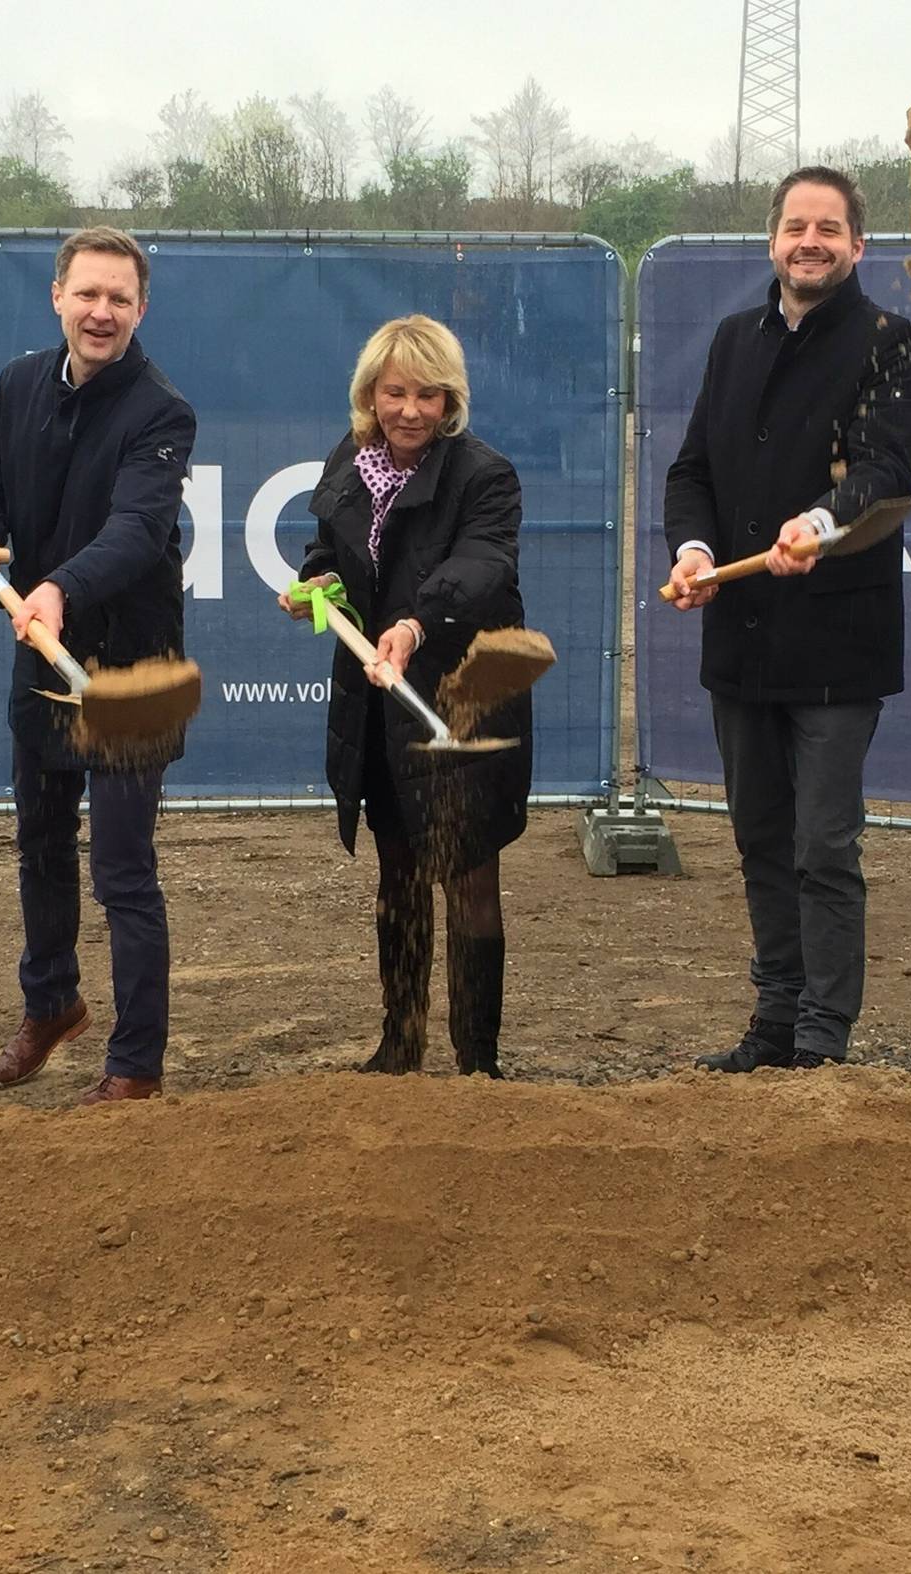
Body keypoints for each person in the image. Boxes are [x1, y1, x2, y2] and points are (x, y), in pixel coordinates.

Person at [663, 166, 911, 1072]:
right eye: (794, 226)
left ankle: (822, 1032)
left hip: (836, 643)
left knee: (823, 843)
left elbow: (886, 471)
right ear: (772, 240)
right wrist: (694, 553)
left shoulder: (892, 341)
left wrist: (820, 524)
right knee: (760, 838)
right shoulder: (734, 339)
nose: (809, 241)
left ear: (858, 245)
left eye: (829, 228)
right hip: (739, 637)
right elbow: (691, 469)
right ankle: (774, 1015)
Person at [0, 226, 197, 1106]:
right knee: (41, 847)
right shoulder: (18, 386)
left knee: (123, 867)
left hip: (131, 671)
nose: (101, 312)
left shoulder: (161, 412)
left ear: (141, 308)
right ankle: (50, 1006)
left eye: (119, 299)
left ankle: (135, 1064)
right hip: (41, 664)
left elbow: (137, 532)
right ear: (58, 296)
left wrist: (57, 586)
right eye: (87, 294)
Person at [279, 315, 530, 1078]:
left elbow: (482, 565)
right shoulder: (348, 466)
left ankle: (477, 1060)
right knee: (398, 876)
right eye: (395, 393)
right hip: (377, 705)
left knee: (468, 876)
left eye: (428, 393)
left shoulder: (484, 475)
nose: (411, 410)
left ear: (450, 399)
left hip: (461, 696)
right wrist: (316, 584)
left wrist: (416, 625)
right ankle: (401, 1043)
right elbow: (332, 554)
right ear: (371, 395)